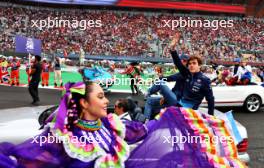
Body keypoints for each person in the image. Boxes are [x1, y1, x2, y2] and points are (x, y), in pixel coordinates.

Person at [0, 81, 246, 168]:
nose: (106, 101)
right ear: (84, 104)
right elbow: (25, 159)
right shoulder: (60, 138)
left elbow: (144, 129)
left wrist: (171, 117)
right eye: (100, 97)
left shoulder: (110, 125)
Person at [169, 33, 215, 115]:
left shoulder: (205, 80)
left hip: (189, 112)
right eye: (189, 64)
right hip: (179, 105)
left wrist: (211, 116)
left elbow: (210, 99)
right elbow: (178, 63)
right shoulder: (187, 74)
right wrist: (172, 48)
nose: (191, 65)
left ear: (199, 65)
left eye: (194, 63)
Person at [144, 54, 188, 119]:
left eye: (184, 61)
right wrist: (165, 97)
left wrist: (161, 77)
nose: (181, 62)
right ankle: (146, 121)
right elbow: (176, 88)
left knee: (160, 83)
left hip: (179, 102)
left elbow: (169, 78)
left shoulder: (186, 73)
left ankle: (147, 92)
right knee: (149, 101)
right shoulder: (183, 73)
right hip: (174, 99)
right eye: (181, 60)